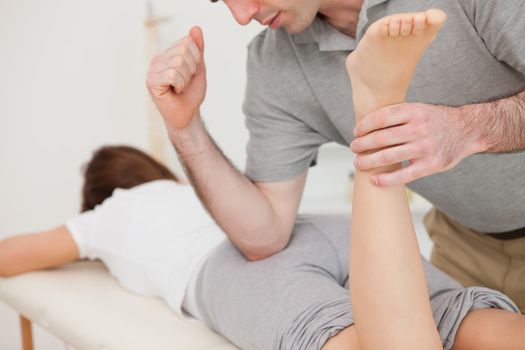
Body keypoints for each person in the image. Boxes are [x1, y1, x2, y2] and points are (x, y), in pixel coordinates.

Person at [146, 0, 525, 312]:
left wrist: (469, 128)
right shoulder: (277, 64)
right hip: (464, 246)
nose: (242, 15)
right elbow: (265, 235)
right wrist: (185, 128)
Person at [0, 144, 523, 350]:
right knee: (459, 316)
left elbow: (12, 256)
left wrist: (84, 237)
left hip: (235, 265)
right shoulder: (189, 193)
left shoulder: (110, 211)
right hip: (320, 227)